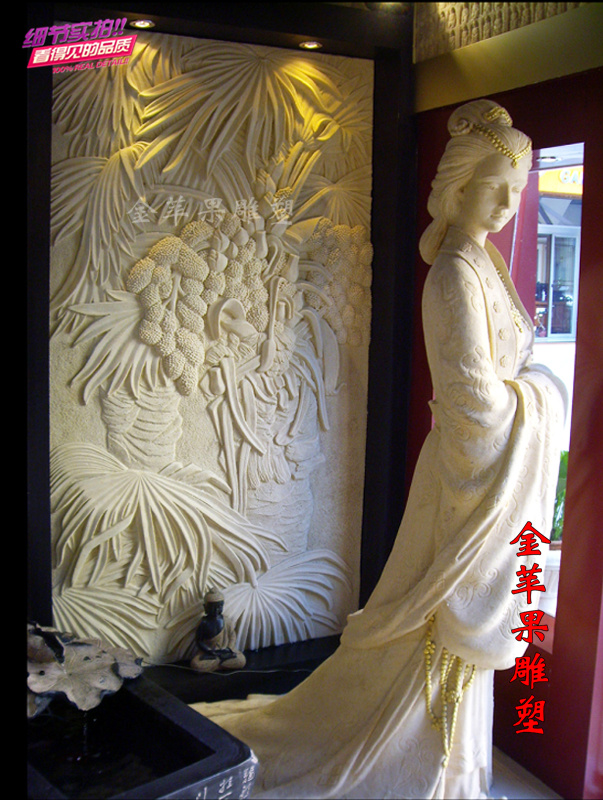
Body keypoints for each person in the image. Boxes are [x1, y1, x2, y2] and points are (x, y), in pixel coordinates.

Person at [190, 99, 567, 799]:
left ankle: (455, 768)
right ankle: (421, 766)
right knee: (436, 617)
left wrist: (530, 387)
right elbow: (473, 403)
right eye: (494, 188)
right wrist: (543, 393)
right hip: (466, 476)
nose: (508, 205)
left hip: (483, 473)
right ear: (457, 185)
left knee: (448, 627)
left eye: (517, 190)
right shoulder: (453, 273)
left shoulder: (485, 262)